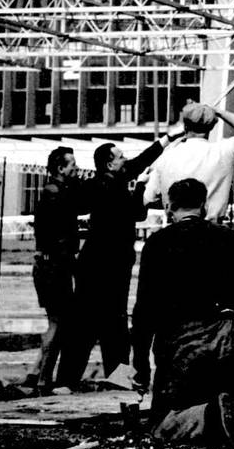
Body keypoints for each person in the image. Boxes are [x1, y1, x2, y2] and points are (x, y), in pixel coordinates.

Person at [56, 129, 182, 390]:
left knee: (86, 322)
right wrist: (141, 189)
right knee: (112, 322)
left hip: (95, 262)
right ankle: (118, 378)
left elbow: (140, 162)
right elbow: (136, 212)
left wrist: (168, 139)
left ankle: (68, 379)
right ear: (110, 163)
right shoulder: (112, 186)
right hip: (110, 263)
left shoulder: (100, 183)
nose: (126, 159)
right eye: (121, 156)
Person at [131, 177, 234, 445]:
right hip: (225, 345)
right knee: (227, 392)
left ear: (168, 208)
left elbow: (145, 310)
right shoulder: (230, 239)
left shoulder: (158, 243)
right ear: (205, 206)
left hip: (178, 351)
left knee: (160, 428)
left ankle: (206, 417)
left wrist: (140, 363)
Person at [25, 146, 89, 396]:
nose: (76, 167)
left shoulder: (53, 192)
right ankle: (42, 380)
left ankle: (35, 374)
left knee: (56, 321)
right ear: (61, 168)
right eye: (72, 163)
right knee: (58, 322)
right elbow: (59, 235)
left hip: (48, 265)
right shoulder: (58, 195)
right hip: (55, 266)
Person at [143, 100, 234, 223]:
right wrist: (218, 112)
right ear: (211, 126)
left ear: (185, 126)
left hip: (176, 231)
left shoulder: (166, 156)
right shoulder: (224, 151)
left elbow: (147, 199)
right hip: (213, 232)